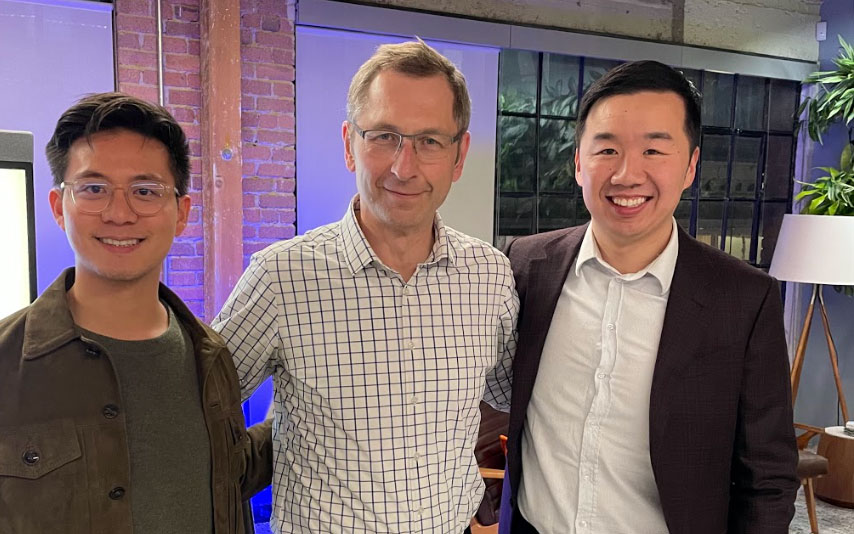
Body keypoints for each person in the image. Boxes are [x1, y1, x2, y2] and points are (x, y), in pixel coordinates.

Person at [0, 92, 272, 533]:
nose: (120, 213)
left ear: (181, 213)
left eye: (145, 191)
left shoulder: (209, 358)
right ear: (60, 207)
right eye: (94, 189)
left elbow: (225, 477)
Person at [213, 40, 518, 533]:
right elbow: (198, 405)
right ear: (349, 144)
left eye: (430, 141)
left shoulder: (489, 275)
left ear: (459, 156)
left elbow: (509, 396)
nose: (404, 166)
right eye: (383, 136)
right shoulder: (282, 277)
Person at [498, 60, 799, 534]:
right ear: (579, 162)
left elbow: (768, 477)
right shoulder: (525, 266)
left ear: (690, 167)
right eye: (607, 149)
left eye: (654, 150)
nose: (626, 174)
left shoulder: (743, 298)